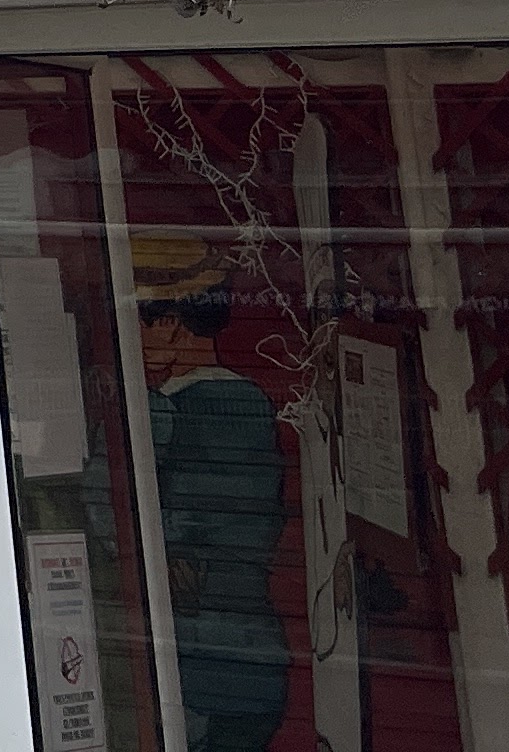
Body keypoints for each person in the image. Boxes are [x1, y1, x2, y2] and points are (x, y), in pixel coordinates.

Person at [136, 238, 292, 752]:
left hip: (200, 680)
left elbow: (148, 537)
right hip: (251, 665)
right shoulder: (249, 402)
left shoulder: (169, 414)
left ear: (169, 324)